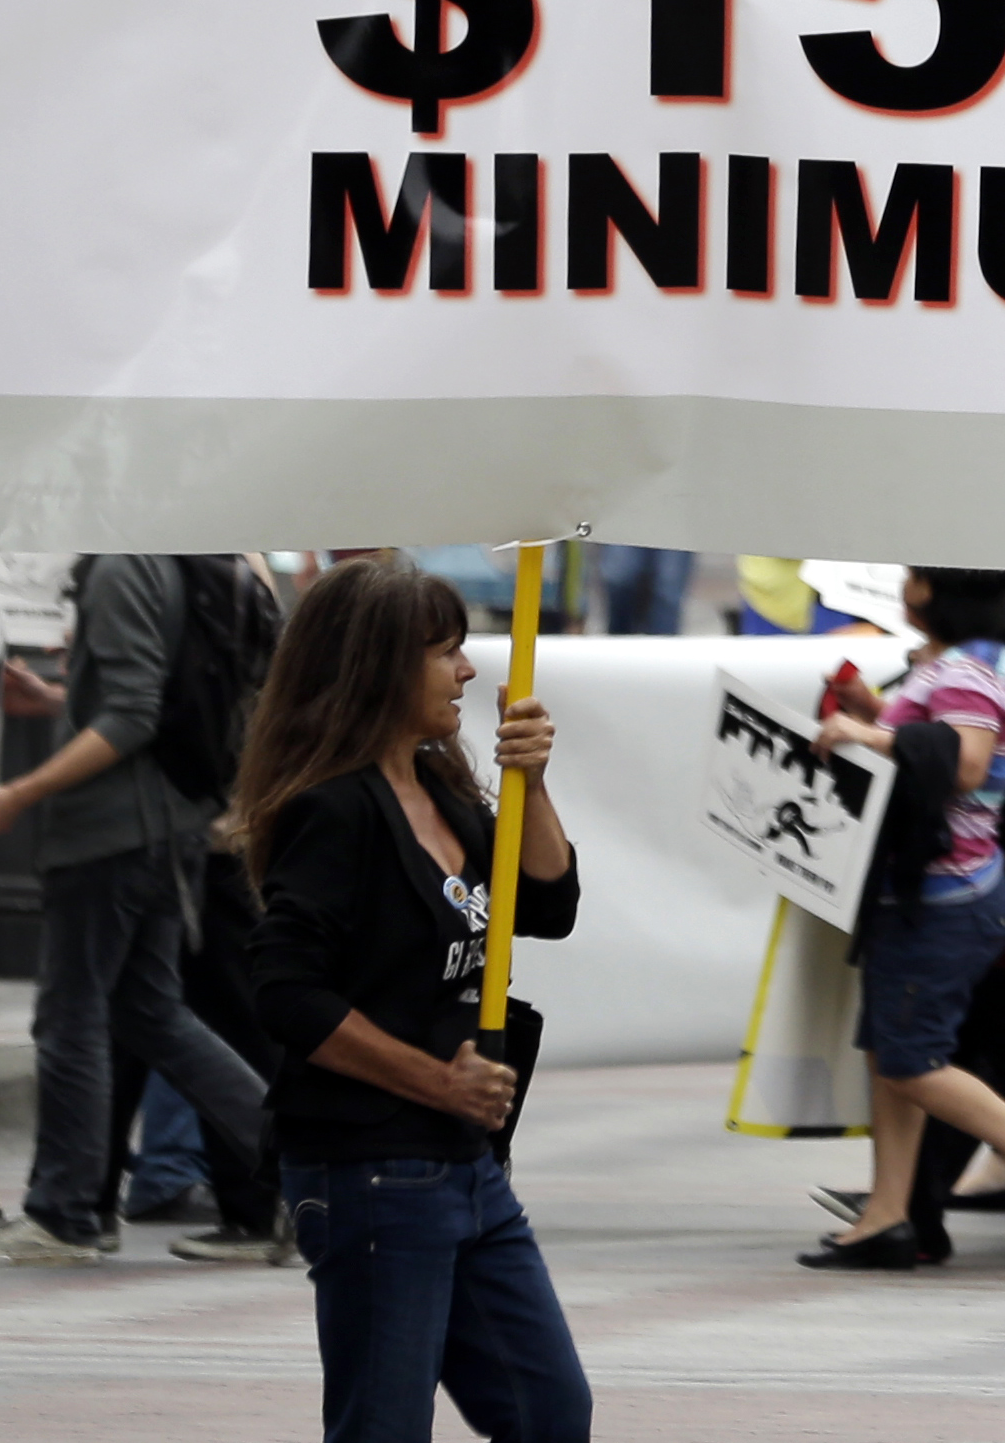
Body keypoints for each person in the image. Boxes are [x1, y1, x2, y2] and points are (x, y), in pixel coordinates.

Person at [223, 556, 591, 1438]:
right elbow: (286, 992)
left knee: (547, 1408)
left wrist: (531, 783)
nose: (467, 670)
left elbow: (547, 904)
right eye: (446, 651)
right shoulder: (334, 811)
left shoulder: (445, 787)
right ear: (379, 663)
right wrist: (437, 1081)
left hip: (467, 1163)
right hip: (373, 1167)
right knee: (383, 1423)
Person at [0, 555, 281, 1268]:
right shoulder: (171, 560)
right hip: (162, 825)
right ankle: (300, 1162)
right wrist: (58, 697)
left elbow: (134, 712)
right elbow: (152, 700)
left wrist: (20, 794)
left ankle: (66, 1212)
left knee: (72, 1014)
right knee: (151, 1012)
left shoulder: (121, 567)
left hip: (113, 832)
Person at [798, 568, 1005, 1271]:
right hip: (930, 891)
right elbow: (936, 744)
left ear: (930, 594)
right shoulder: (968, 663)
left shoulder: (967, 668)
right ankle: (888, 1216)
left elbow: (964, 764)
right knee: (889, 1053)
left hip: (944, 896)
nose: (901, 585)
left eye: (910, 577)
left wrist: (861, 732)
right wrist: (875, 711)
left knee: (910, 1061)